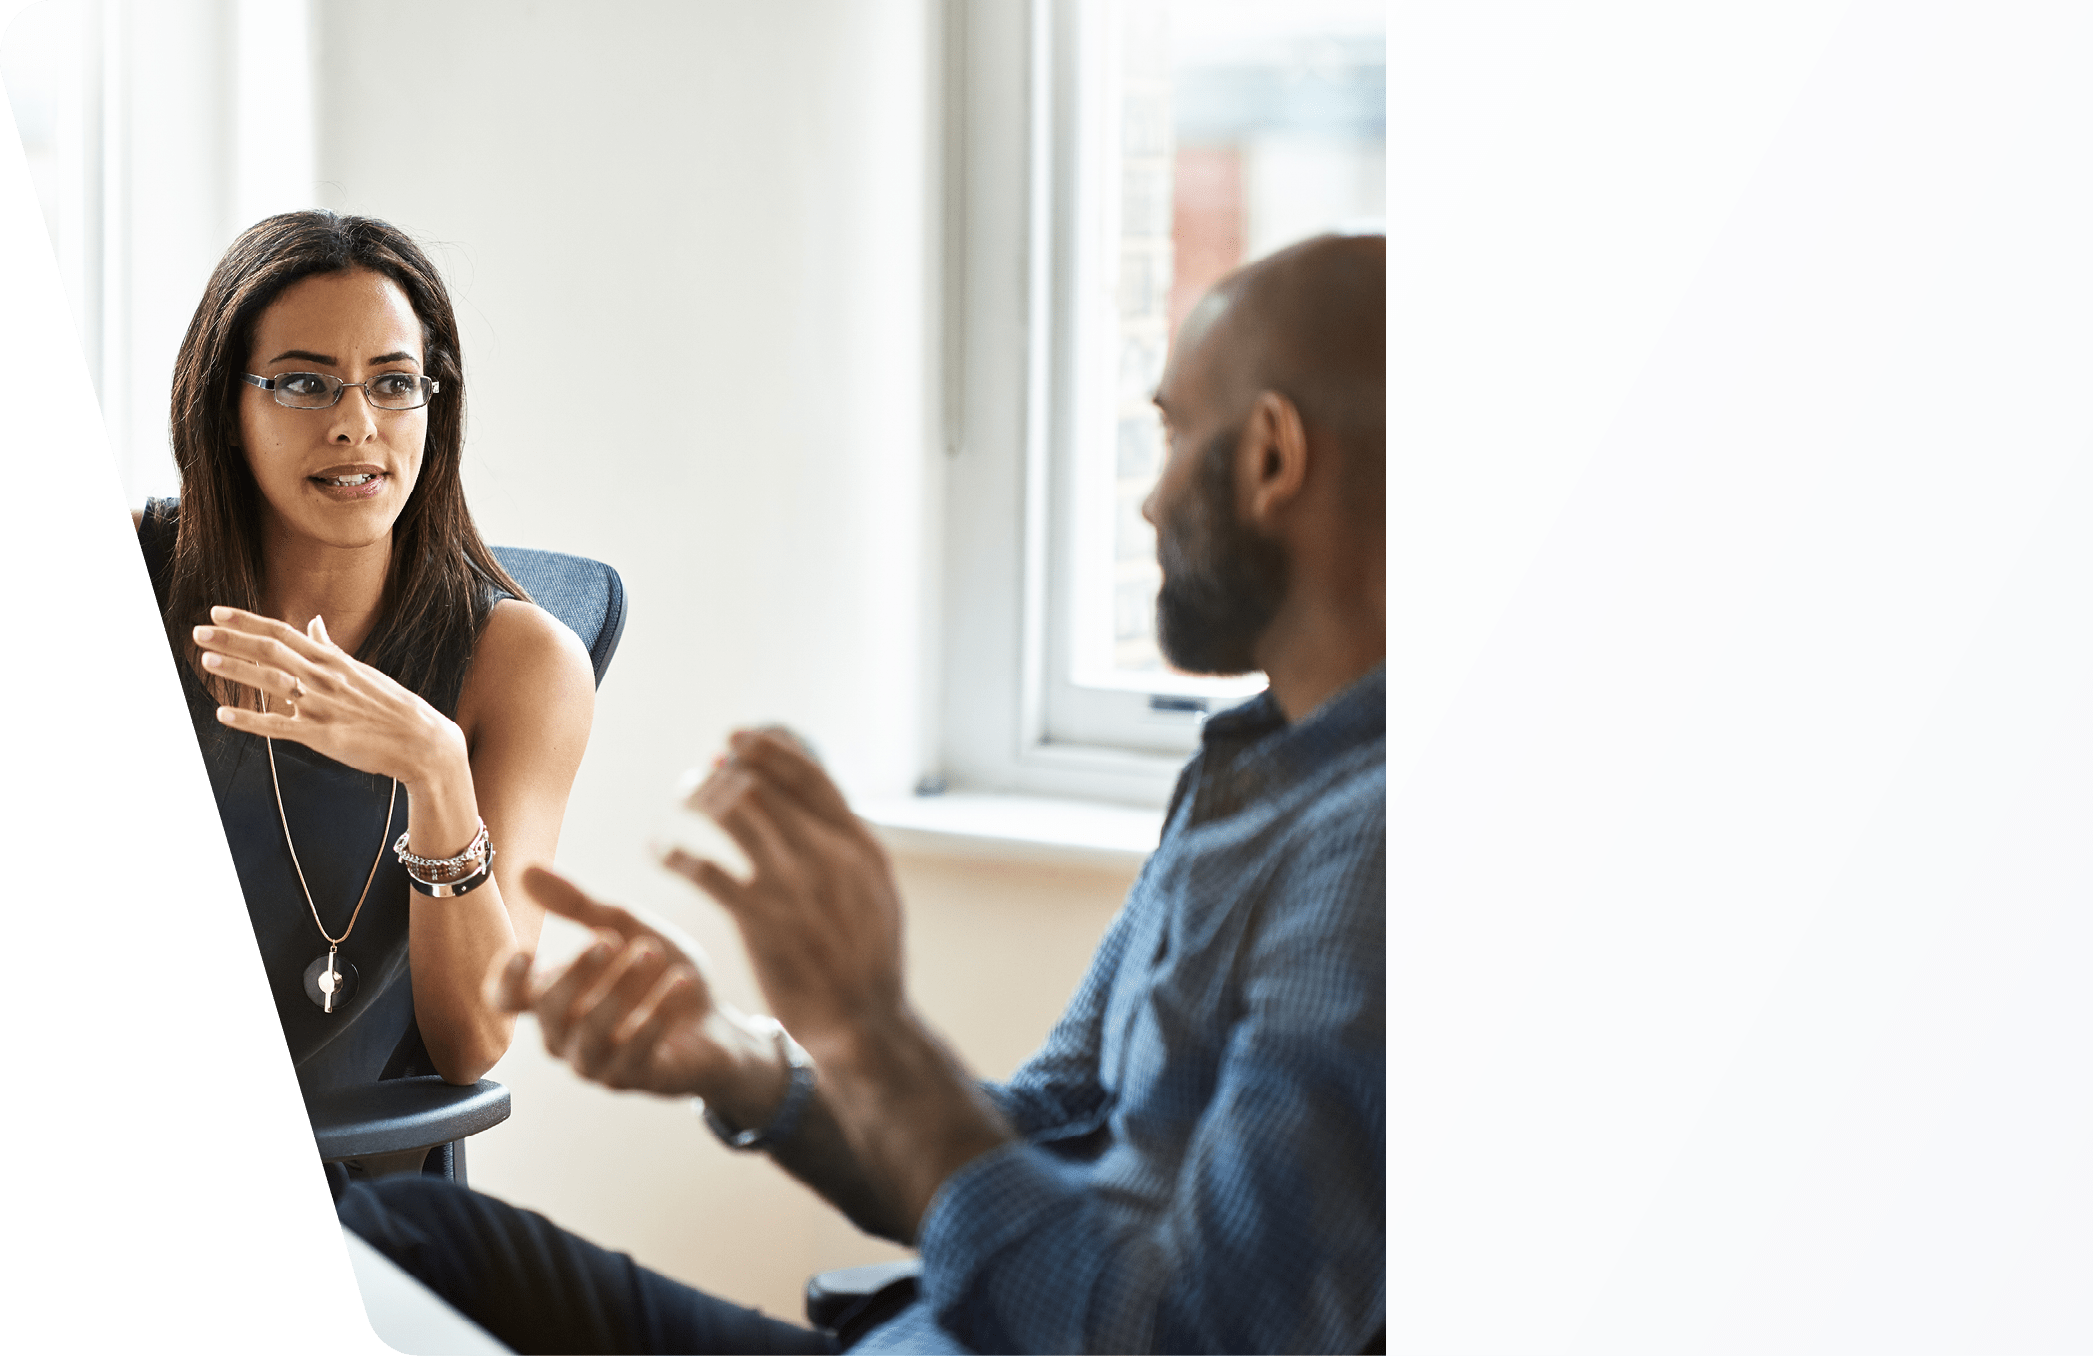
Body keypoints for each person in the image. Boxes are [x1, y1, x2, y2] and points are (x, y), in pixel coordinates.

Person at [338, 232, 1385, 1354]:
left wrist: (869, 1025)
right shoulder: (1251, 770)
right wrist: (741, 1061)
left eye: (1174, 435)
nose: (1150, 502)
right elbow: (1027, 1143)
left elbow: (1187, 1337)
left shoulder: (1372, 853)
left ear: (1272, 458)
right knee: (396, 1238)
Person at [134, 211, 596, 1183]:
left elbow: (472, 1040)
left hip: (342, 1198)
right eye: (304, 382)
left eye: (393, 383)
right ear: (227, 406)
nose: (356, 423)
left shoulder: (522, 664)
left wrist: (436, 768)